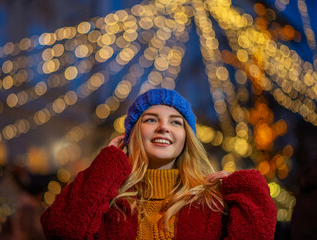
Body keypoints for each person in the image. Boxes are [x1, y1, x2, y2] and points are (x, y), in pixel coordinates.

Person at [40, 88, 277, 239]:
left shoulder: (211, 203)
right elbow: (62, 230)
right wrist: (106, 165)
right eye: (151, 119)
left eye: (176, 122)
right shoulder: (110, 203)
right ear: (132, 134)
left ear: (187, 138)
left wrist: (246, 188)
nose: (163, 127)